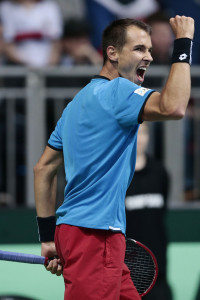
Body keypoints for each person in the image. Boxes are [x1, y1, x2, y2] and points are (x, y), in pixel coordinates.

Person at [34, 16, 194, 300]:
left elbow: (43, 168)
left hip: (76, 232)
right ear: (112, 53)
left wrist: (48, 237)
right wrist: (183, 45)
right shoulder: (119, 90)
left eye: (149, 50)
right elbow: (175, 107)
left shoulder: (75, 105)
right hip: (96, 234)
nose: (148, 56)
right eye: (139, 49)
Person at [125, 123, 173, 300]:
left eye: (143, 133)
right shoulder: (118, 176)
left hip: (159, 268)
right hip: (126, 270)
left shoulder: (160, 172)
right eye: (134, 134)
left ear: (149, 137)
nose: (139, 139)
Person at [0, 0, 63, 67]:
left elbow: (56, 42)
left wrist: (50, 65)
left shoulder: (50, 6)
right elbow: (6, 44)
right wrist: (27, 65)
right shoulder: (5, 7)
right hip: (18, 66)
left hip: (48, 66)